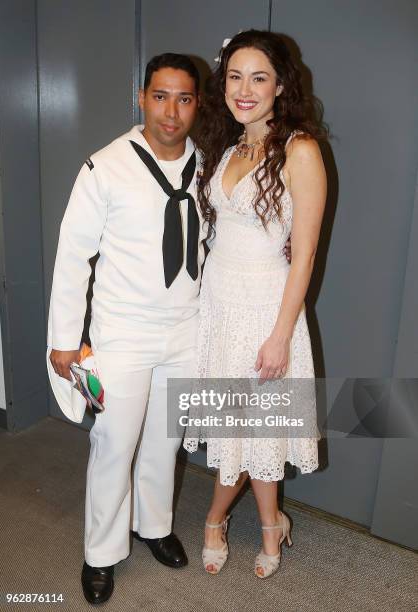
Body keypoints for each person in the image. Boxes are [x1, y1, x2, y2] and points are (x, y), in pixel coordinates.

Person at [47, 53, 206, 605]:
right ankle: (100, 553)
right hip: (123, 332)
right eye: (160, 96)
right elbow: (73, 256)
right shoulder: (104, 167)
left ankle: (154, 526)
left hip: (185, 330)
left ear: (197, 105)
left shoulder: (205, 168)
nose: (171, 111)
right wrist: (65, 340)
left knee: (167, 439)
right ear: (142, 98)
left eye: (184, 98)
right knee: (115, 443)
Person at [183, 30, 327, 579]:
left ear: (281, 85)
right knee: (240, 424)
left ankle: (217, 521)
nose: (244, 89)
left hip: (266, 309)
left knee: (254, 426)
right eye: (235, 77)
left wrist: (280, 335)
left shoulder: (301, 150)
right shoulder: (225, 143)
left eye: (258, 77)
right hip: (219, 304)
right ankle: (273, 524)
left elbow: (305, 254)